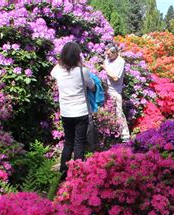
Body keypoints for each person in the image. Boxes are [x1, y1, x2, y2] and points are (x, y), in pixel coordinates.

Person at [51, 42, 94, 178]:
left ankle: (63, 172)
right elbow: (92, 87)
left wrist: (62, 62)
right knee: (79, 142)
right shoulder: (83, 71)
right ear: (77, 56)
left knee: (68, 141)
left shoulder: (58, 70)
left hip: (66, 112)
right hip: (81, 112)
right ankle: (77, 174)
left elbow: (53, 72)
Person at [102, 43, 130, 142]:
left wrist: (105, 68)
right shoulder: (107, 59)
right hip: (105, 90)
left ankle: (125, 136)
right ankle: (110, 136)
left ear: (115, 53)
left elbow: (115, 77)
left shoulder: (120, 61)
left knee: (118, 113)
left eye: (109, 53)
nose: (107, 55)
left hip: (115, 92)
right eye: (106, 53)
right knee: (106, 114)